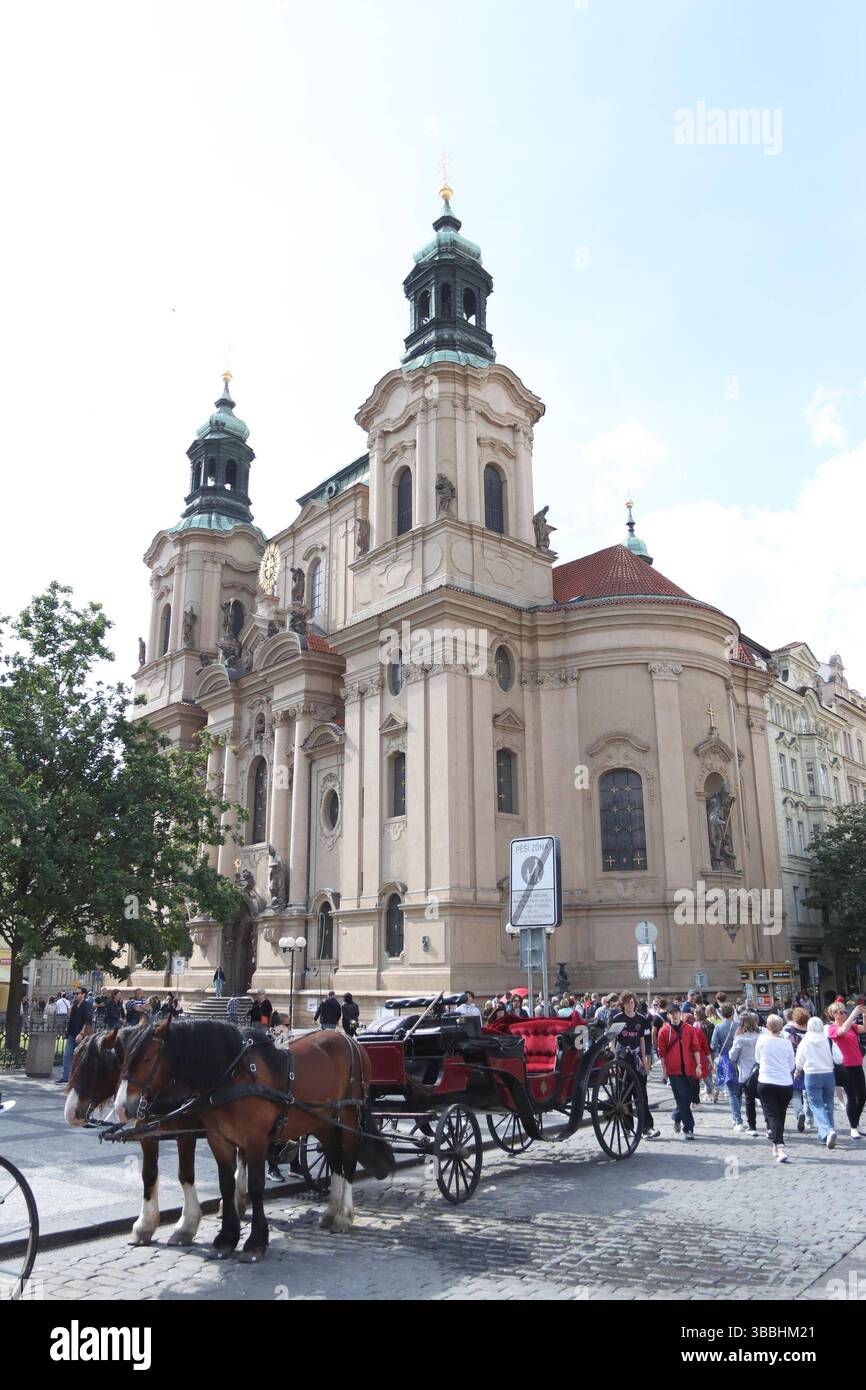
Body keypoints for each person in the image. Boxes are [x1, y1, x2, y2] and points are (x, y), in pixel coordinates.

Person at [610, 992, 659, 1138]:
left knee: (641, 1093)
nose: (630, 1005)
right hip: (623, 1058)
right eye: (628, 1003)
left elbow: (643, 1040)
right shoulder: (617, 1019)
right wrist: (614, 1059)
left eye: (632, 1003)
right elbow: (612, 1039)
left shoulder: (641, 1019)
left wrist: (645, 1059)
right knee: (624, 1094)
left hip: (637, 1058)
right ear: (623, 1004)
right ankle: (627, 1127)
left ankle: (646, 1127)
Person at [795, 1017, 843, 1149]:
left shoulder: (805, 1041)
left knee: (816, 1105)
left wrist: (798, 1071)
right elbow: (839, 1059)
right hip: (828, 1074)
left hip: (811, 1075)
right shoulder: (828, 1040)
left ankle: (828, 1130)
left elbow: (799, 1059)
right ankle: (825, 1134)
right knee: (828, 1103)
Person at [657, 1003, 702, 1139]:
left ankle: (676, 1116)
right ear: (669, 1015)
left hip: (689, 1068)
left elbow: (695, 1048)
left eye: (676, 1012)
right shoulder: (664, 1031)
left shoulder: (689, 1029)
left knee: (687, 1098)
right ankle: (689, 1128)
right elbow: (662, 1054)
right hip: (674, 1070)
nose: (675, 1015)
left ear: (680, 1014)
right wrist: (664, 1072)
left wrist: (698, 1065)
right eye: (672, 1013)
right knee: (682, 1098)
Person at [755, 1014, 796, 1163]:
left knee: (773, 1115)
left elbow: (757, 1059)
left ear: (767, 1026)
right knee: (780, 1115)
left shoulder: (762, 1039)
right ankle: (777, 1144)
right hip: (784, 1083)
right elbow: (792, 1065)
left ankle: (779, 1145)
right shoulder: (787, 1043)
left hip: (766, 1082)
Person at [826, 1000, 866, 1138]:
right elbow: (841, 1031)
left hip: (857, 1064)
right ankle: (853, 1127)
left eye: (844, 1011)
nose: (843, 1014)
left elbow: (864, 1029)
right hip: (846, 1066)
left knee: (862, 1096)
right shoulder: (832, 1028)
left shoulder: (852, 1026)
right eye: (840, 1012)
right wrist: (854, 1013)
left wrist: (864, 1014)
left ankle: (856, 1123)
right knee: (852, 1097)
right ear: (834, 1014)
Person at [729, 1011, 760, 1135]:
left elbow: (732, 1056)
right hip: (760, 1071)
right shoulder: (761, 1036)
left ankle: (752, 1127)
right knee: (764, 1099)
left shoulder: (740, 1039)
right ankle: (770, 1126)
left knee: (749, 1100)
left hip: (746, 1073)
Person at [783, 1007, 812, 1132]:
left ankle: (799, 1112)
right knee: (809, 1093)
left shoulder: (788, 1031)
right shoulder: (811, 1031)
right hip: (810, 1064)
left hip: (794, 1064)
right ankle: (810, 1119)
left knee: (795, 1092)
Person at [59, 988, 94, 1083]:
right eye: (74, 993)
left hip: (82, 1036)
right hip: (72, 1034)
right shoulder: (74, 1005)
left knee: (82, 1057)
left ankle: (82, 1078)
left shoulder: (87, 1005)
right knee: (67, 1055)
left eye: (77, 993)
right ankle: (66, 1077)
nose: (75, 995)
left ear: (83, 994)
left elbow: (88, 1020)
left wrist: (82, 1033)